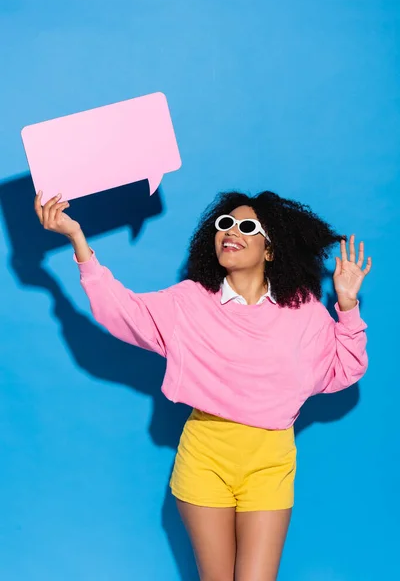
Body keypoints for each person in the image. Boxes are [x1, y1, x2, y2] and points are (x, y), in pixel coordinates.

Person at [34, 188, 371, 581]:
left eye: (248, 226)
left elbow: (345, 367)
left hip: (270, 461)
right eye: (225, 223)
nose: (232, 231)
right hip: (206, 455)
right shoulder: (189, 302)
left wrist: (346, 305)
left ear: (270, 250)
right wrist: (78, 240)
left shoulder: (303, 310)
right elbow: (121, 311)